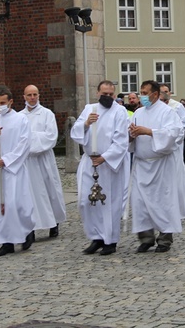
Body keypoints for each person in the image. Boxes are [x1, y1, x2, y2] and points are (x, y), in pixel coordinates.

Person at [71, 80, 130, 256]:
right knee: (86, 201)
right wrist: (86, 124)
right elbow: (75, 132)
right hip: (90, 162)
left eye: (111, 94)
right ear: (97, 93)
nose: (108, 97)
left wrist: (105, 157)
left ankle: (110, 241)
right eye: (104, 94)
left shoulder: (119, 111)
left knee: (109, 203)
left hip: (109, 164)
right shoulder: (89, 109)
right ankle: (96, 237)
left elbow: (121, 139)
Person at [129, 80, 185, 253]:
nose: (141, 96)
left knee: (163, 201)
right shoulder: (138, 112)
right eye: (140, 92)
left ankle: (164, 238)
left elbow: (174, 134)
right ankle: (146, 238)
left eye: (144, 92)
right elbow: (130, 136)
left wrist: (148, 132)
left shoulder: (167, 112)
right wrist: (131, 136)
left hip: (161, 165)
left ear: (155, 94)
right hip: (141, 164)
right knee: (140, 203)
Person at [0, 86, 37, 257]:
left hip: (14, 168)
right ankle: (6, 242)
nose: (0, 106)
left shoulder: (21, 120)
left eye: (3, 103)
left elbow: (24, 143)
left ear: (11, 102)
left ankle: (26, 231)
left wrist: (7, 159)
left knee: (16, 204)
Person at [21, 85, 66, 242]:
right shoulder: (20, 116)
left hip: (44, 158)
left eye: (35, 94)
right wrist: (28, 142)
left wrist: (30, 140)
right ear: (24, 97)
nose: (32, 97)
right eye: (29, 95)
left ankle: (54, 222)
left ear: (39, 95)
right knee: (31, 194)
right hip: (27, 160)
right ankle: (31, 227)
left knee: (49, 190)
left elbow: (51, 136)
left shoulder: (47, 114)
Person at [159, 84, 185, 221]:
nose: (164, 94)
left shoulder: (177, 106)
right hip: (160, 144)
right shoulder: (156, 107)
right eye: (162, 92)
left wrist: (172, 137)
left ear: (170, 92)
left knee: (176, 174)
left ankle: (179, 208)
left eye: (166, 91)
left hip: (174, 145)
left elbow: (183, 124)